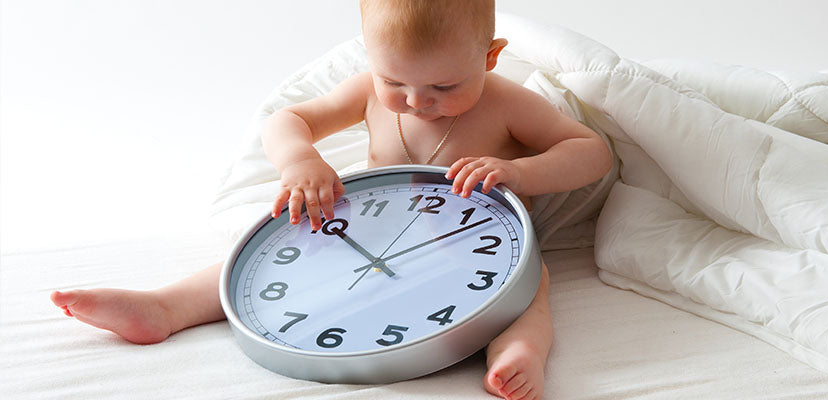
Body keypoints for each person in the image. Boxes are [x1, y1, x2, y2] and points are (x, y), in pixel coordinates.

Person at [50, 1, 612, 399]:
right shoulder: (369, 91)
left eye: (444, 87)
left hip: (481, 246)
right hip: (367, 229)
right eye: (396, 80)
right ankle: (163, 308)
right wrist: (300, 161)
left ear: (489, 58)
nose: (417, 102)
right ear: (371, 58)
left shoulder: (507, 102)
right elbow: (288, 120)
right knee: (264, 264)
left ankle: (518, 355)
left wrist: (518, 170)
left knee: (528, 294)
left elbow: (590, 152)